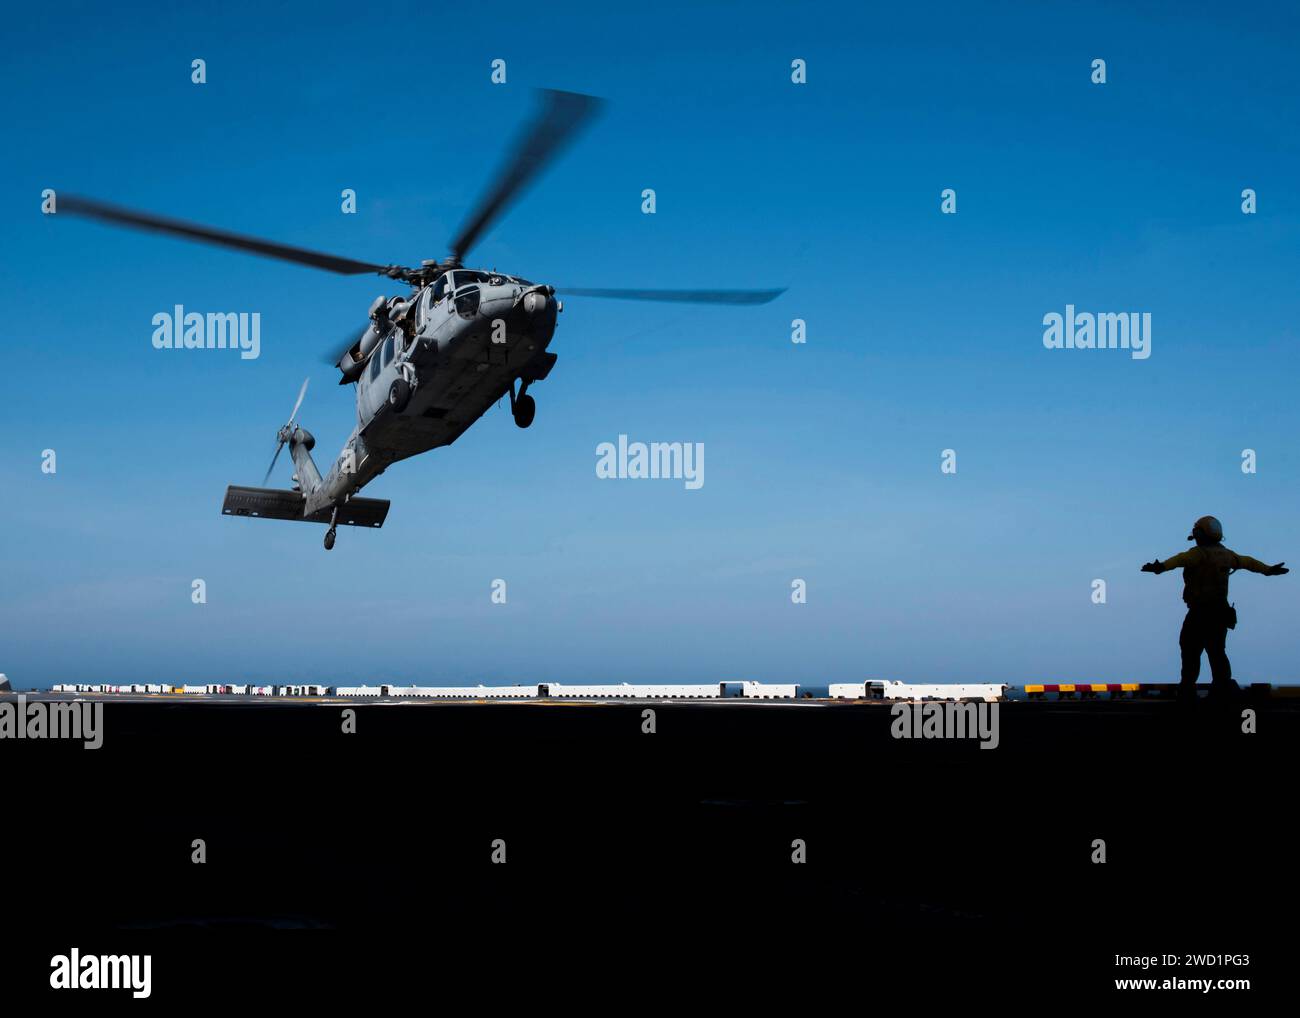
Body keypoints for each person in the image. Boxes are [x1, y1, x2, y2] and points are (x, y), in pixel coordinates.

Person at [1141, 516, 1287, 698]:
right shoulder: (1227, 555)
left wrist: (1160, 567)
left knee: (1190, 649)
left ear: (1199, 533)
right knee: (1217, 650)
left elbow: (1179, 560)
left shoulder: (1199, 554)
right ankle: (1222, 687)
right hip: (1220, 612)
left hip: (1200, 612)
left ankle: (1187, 688)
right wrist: (1268, 570)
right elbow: (1248, 562)